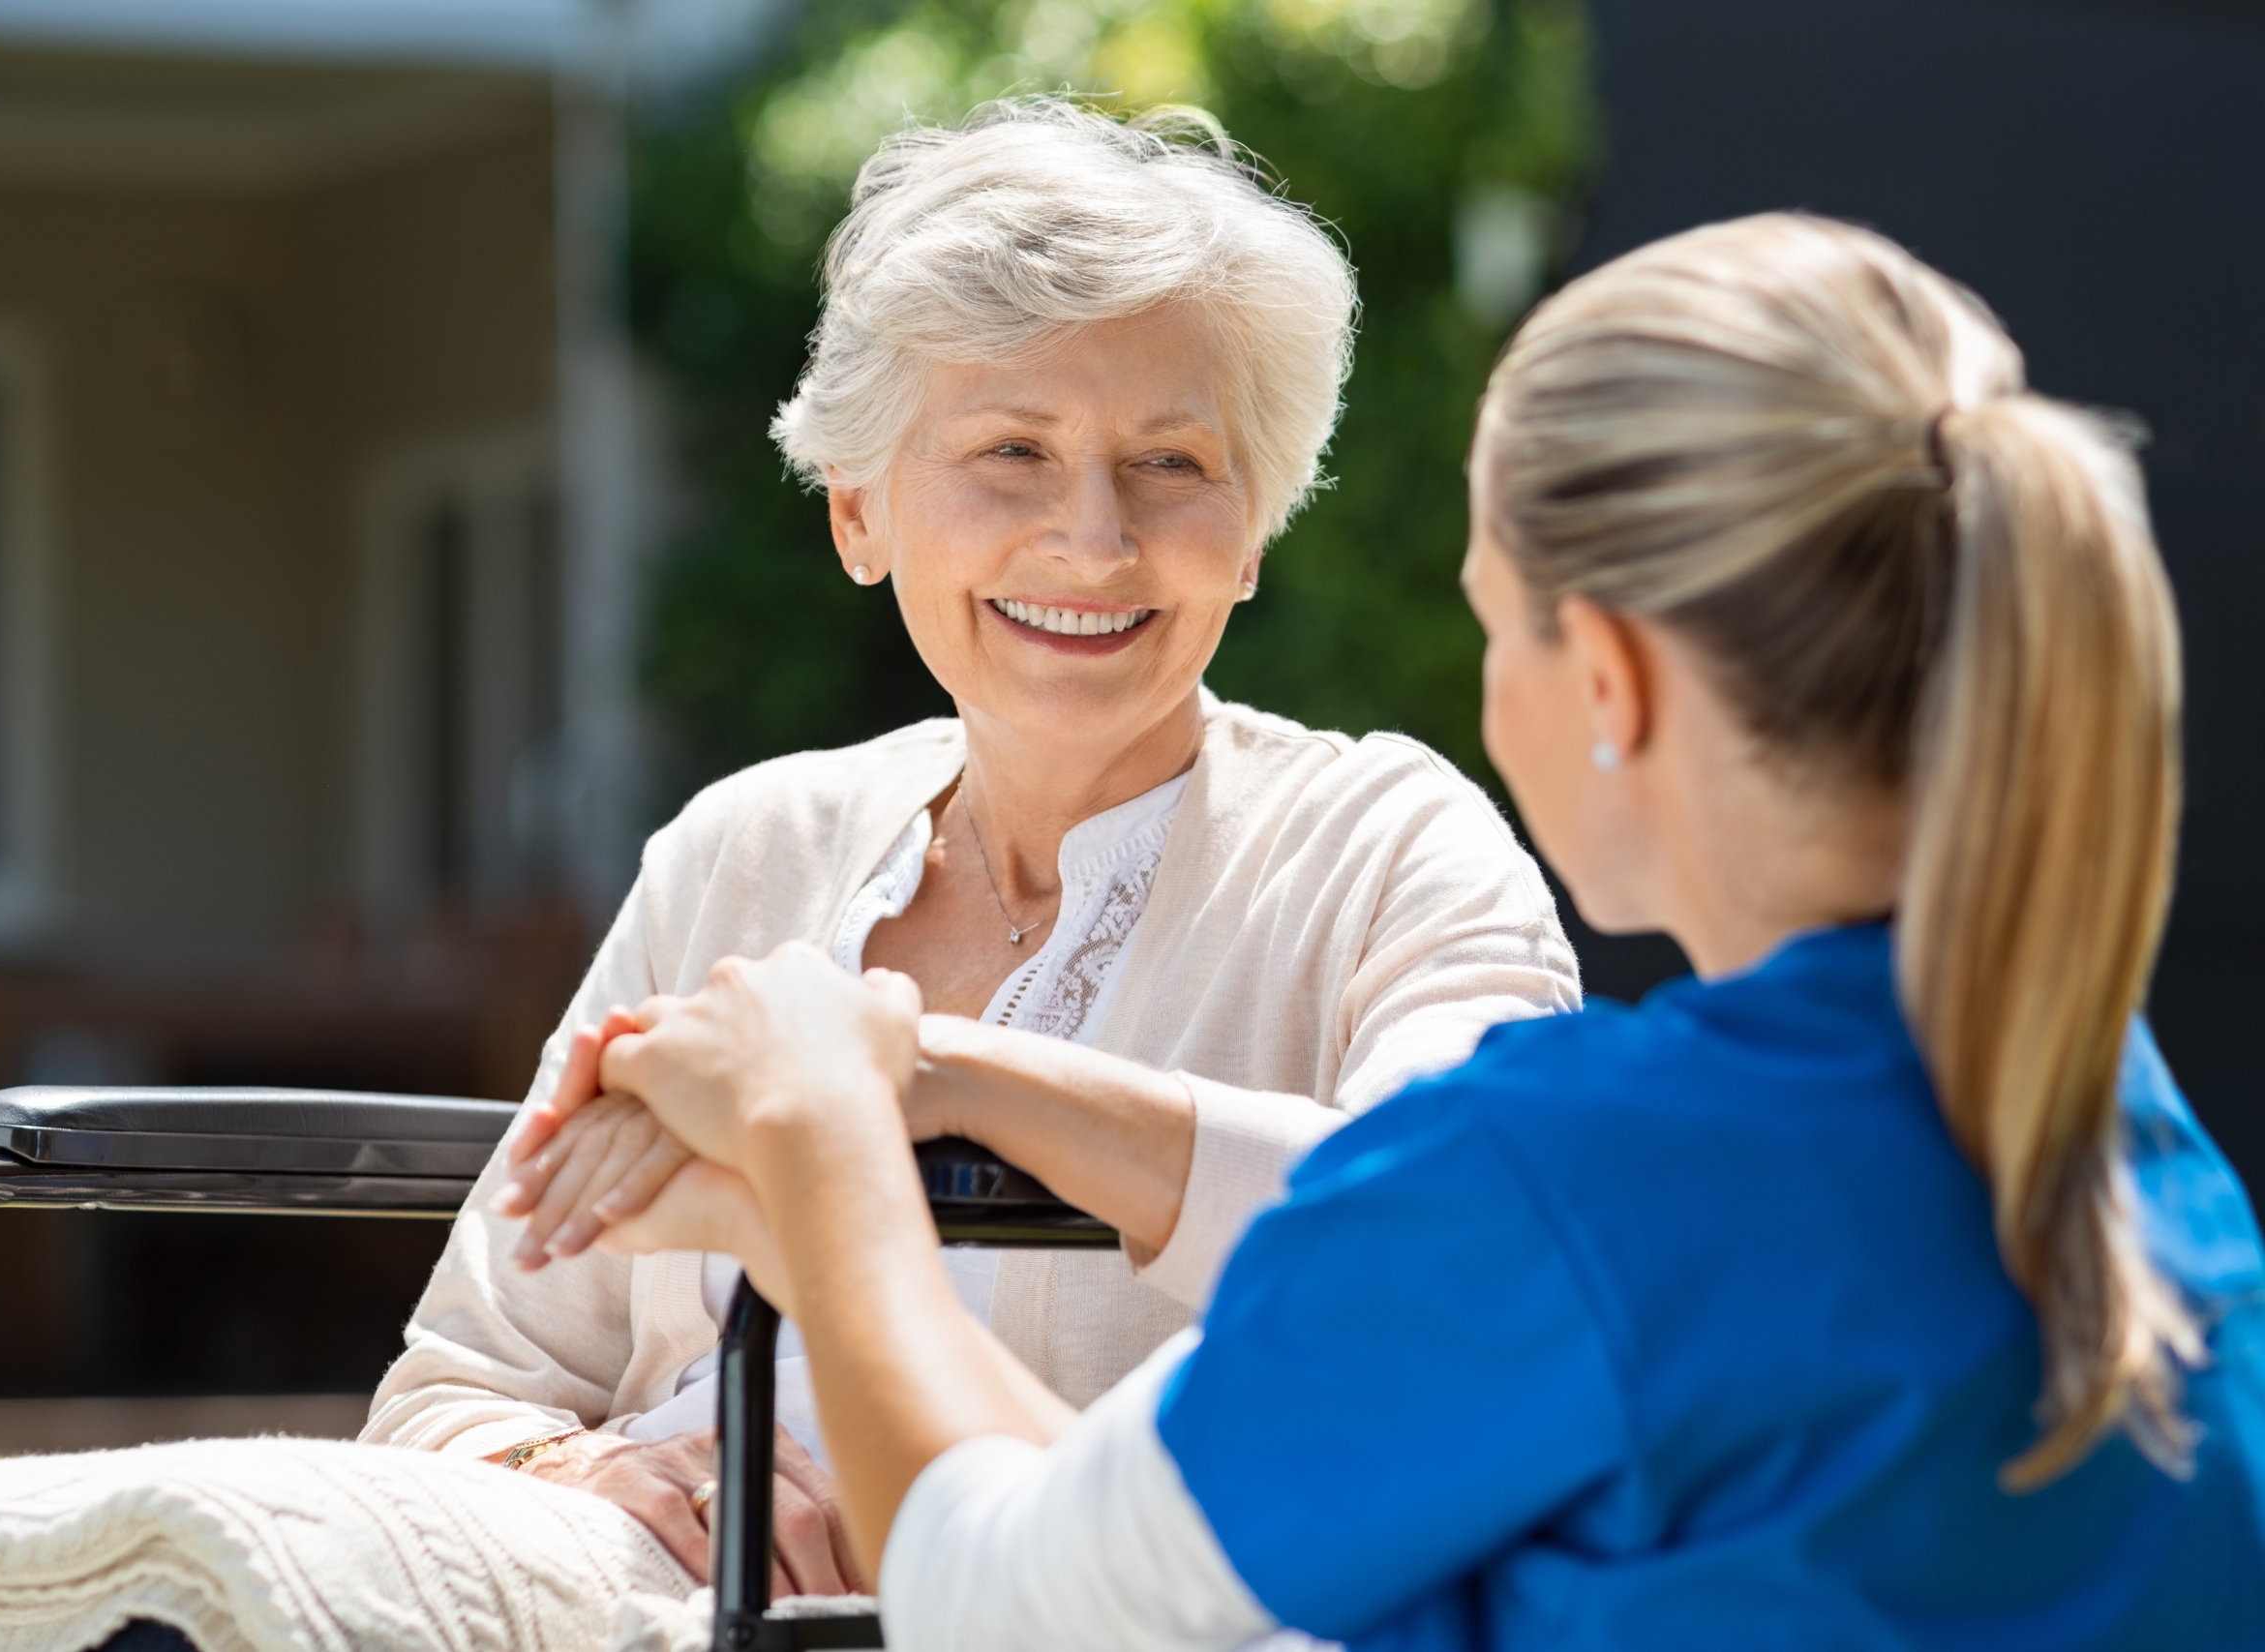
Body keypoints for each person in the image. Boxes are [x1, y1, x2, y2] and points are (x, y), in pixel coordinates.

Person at [576, 213, 2265, 1649]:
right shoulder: (2112, 1124)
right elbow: (1169, 1586)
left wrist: (823, 1155)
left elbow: (1011, 1600)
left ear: (1603, 678)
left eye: (1487, 624)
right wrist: (950, 1071)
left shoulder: (1569, 1183)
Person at [359, 96, 1580, 1599]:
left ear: (1254, 530)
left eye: (1173, 465)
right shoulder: (743, 852)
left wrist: (920, 1073)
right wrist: (599, 1474)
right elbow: (457, 1389)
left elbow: (1458, 1256)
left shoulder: (1393, 848)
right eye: (1012, 450)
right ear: (858, 512)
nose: (1093, 540)